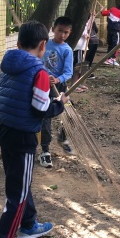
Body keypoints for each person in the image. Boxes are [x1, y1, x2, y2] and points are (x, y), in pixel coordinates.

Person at [0, 20, 69, 238]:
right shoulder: (38, 73)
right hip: (23, 138)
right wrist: (60, 103)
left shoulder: (7, 68)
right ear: (43, 45)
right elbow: (41, 109)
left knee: (21, 183)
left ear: (19, 44)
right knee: (17, 195)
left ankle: (29, 225)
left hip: (5, 132)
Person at [39, 16, 74, 167]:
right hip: (42, 86)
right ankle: (45, 150)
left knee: (70, 113)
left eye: (66, 32)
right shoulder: (44, 44)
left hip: (59, 87)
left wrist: (58, 79)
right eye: (60, 31)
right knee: (45, 117)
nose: (62, 35)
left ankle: (63, 137)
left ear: (70, 33)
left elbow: (68, 72)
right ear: (53, 29)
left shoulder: (67, 50)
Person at [101, 1, 120, 66]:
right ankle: (113, 59)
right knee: (115, 45)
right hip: (115, 32)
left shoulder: (112, 9)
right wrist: (119, 27)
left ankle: (108, 59)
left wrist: (102, 10)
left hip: (109, 30)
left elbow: (103, 13)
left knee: (110, 44)